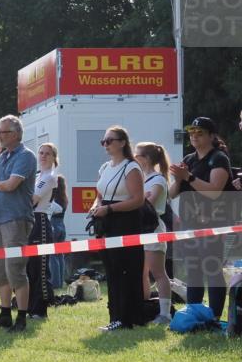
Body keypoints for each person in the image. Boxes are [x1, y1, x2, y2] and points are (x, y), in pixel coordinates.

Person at [169, 116, 233, 320]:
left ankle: (214, 317)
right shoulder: (189, 159)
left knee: (212, 268)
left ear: (212, 136)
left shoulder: (219, 158)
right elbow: (172, 194)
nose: (194, 136)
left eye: (200, 133)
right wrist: (178, 179)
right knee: (193, 269)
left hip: (214, 223)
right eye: (192, 132)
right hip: (190, 223)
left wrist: (188, 177)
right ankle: (194, 314)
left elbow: (214, 191)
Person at [0, 115, 37, 333]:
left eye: (2, 132)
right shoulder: (1, 156)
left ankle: (21, 318)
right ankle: (5, 314)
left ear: (15, 134)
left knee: (15, 269)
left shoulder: (26, 156)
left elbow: (10, 185)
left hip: (16, 219)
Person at [88, 125, 146, 330]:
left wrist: (109, 209)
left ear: (122, 143)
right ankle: (115, 316)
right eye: (103, 141)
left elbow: (138, 200)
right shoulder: (105, 167)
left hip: (126, 222)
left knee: (125, 270)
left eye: (109, 140)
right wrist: (95, 207)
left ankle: (126, 318)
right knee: (111, 270)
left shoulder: (131, 167)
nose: (105, 144)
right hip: (106, 223)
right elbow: (99, 195)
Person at [135, 142, 174, 325]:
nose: (134, 158)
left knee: (158, 273)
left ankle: (165, 314)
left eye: (137, 155)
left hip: (153, 229)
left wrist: (138, 198)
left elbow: (148, 202)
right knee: (141, 272)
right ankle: (142, 309)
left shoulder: (158, 180)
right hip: (140, 229)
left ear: (147, 158)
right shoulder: (142, 178)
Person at [27, 143, 59, 319]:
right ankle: (30, 307)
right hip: (30, 221)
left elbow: (32, 200)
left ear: (54, 157)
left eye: (47, 153)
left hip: (40, 222)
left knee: (40, 268)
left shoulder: (50, 177)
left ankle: (40, 309)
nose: (43, 156)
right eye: (41, 153)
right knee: (30, 268)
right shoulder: (38, 176)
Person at [48, 170, 70, 290]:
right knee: (60, 254)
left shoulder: (54, 199)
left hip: (53, 225)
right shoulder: (64, 198)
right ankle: (60, 281)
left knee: (52, 255)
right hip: (62, 225)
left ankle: (55, 283)